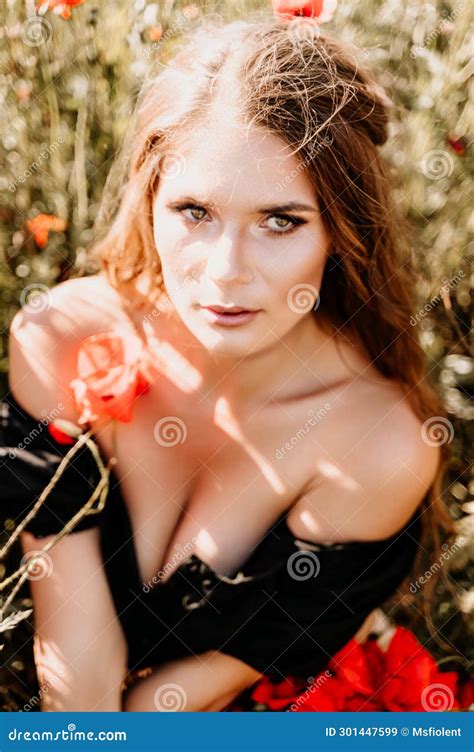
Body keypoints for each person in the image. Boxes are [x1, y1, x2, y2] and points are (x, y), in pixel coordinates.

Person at [2, 15, 454, 712]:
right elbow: (74, 650)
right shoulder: (60, 338)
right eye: (194, 211)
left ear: (342, 228)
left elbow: (167, 706)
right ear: (150, 199)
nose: (224, 273)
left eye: (281, 221)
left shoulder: (377, 444)